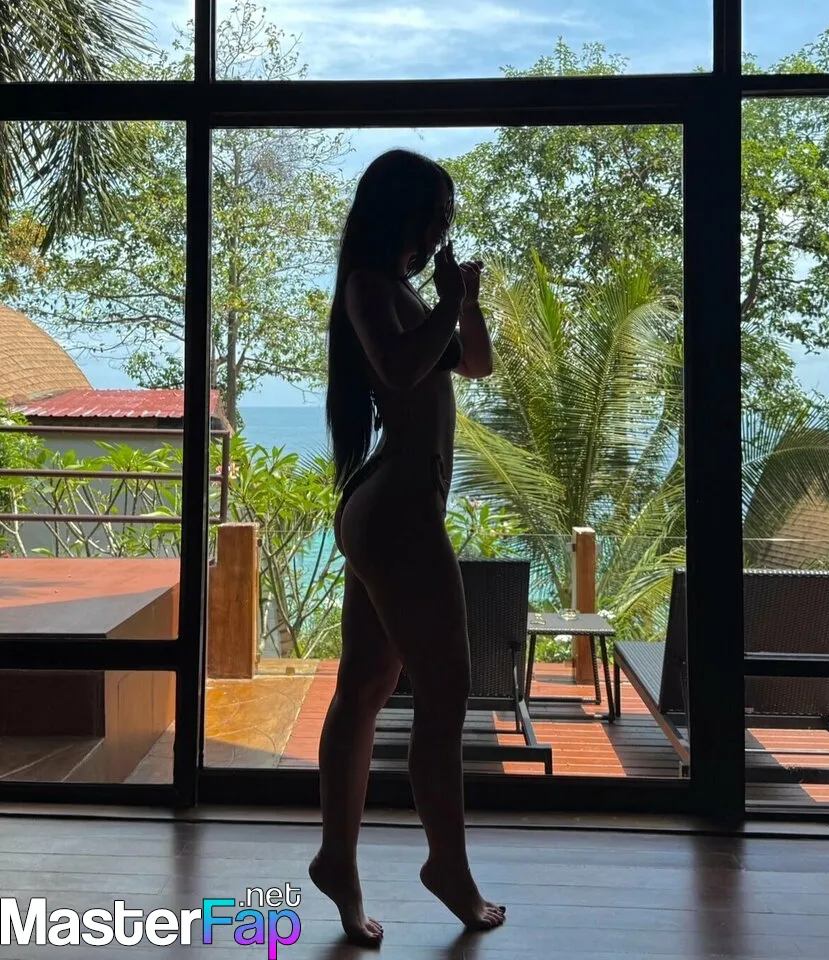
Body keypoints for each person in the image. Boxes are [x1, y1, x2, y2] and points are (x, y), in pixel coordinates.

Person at [308, 149, 505, 946]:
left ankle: (337, 862)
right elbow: (396, 369)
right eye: (434, 219)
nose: (438, 235)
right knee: (446, 692)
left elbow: (477, 364)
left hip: (389, 512)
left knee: (363, 688)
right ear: (402, 215)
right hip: (397, 514)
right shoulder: (368, 287)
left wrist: (465, 303)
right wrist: (446, 302)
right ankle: (446, 865)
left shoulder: (407, 294)